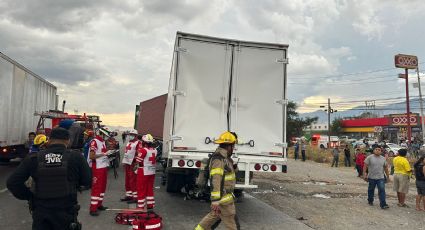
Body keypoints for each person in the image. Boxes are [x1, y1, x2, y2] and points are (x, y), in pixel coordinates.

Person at [6, 127, 92, 230]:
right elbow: (87, 181)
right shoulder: (76, 157)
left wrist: (30, 196)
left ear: (49, 140)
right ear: (68, 141)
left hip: (41, 212)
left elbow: (12, 182)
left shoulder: (34, 158)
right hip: (66, 212)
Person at [195, 131, 240, 230]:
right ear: (229, 146)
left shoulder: (226, 158)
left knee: (212, 219)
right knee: (233, 225)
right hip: (223, 199)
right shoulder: (218, 160)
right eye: (233, 146)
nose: (234, 149)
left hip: (225, 198)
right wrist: (215, 201)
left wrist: (234, 166)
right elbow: (216, 179)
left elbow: (231, 173)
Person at [88, 129, 109, 216]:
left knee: (102, 187)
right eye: (104, 135)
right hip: (97, 168)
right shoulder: (94, 141)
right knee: (97, 187)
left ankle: (99, 204)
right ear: (100, 133)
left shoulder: (103, 142)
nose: (106, 137)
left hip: (103, 166)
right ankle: (93, 209)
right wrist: (103, 154)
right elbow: (92, 156)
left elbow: (102, 153)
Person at [135, 134, 158, 211]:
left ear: (144, 142)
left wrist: (137, 154)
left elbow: (138, 161)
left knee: (141, 189)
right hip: (152, 171)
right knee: (149, 188)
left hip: (143, 171)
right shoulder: (155, 150)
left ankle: (140, 206)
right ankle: (150, 204)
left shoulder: (143, 150)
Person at [120, 129, 141, 202]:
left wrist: (136, 163)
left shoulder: (138, 143)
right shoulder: (129, 142)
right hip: (127, 163)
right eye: (130, 135)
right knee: (127, 180)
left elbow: (139, 154)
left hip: (133, 164)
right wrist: (124, 162)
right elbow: (127, 153)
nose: (130, 136)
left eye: (132, 135)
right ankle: (129, 195)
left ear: (136, 136)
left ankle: (135, 197)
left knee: (133, 180)